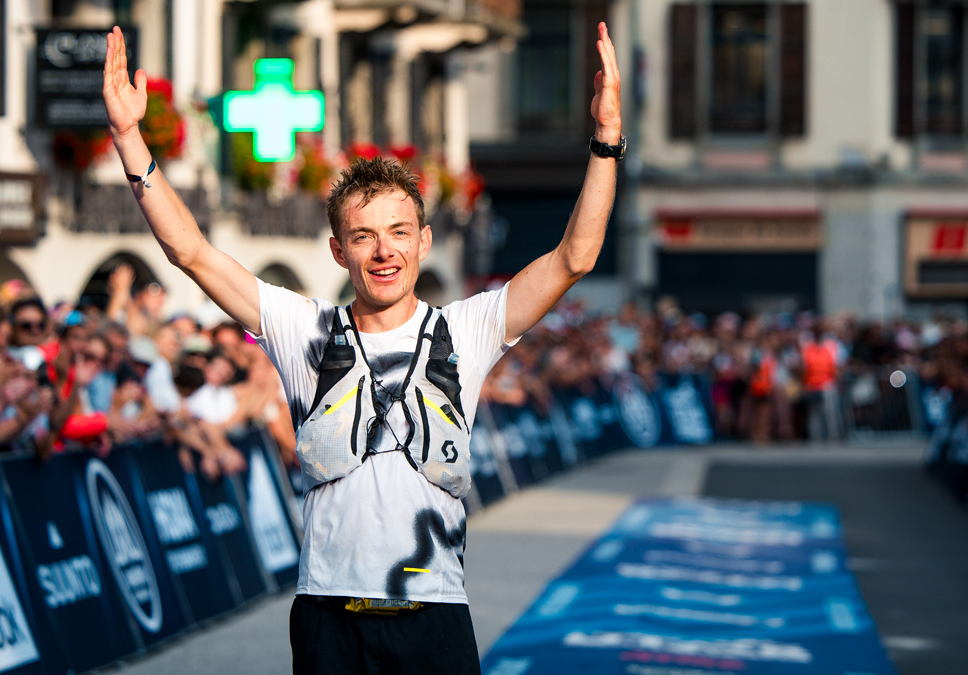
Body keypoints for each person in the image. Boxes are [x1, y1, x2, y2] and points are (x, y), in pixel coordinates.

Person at [104, 19, 621, 674]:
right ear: (338, 249)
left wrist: (606, 141)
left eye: (400, 231)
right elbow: (191, 252)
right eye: (365, 234)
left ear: (423, 242)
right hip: (329, 616)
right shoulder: (303, 328)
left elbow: (575, 256)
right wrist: (128, 137)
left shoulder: (465, 328)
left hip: (433, 613)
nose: (384, 250)